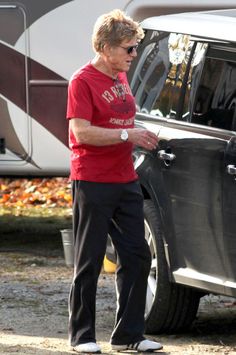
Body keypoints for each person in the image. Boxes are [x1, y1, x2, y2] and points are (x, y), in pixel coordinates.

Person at [66, 9, 163, 354]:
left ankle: (129, 335)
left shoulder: (120, 76)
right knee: (89, 260)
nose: (134, 55)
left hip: (125, 178)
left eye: (135, 47)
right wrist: (127, 134)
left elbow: (124, 123)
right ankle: (82, 337)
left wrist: (141, 135)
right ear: (106, 48)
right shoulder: (82, 81)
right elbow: (81, 131)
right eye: (129, 48)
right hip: (92, 179)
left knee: (137, 256)